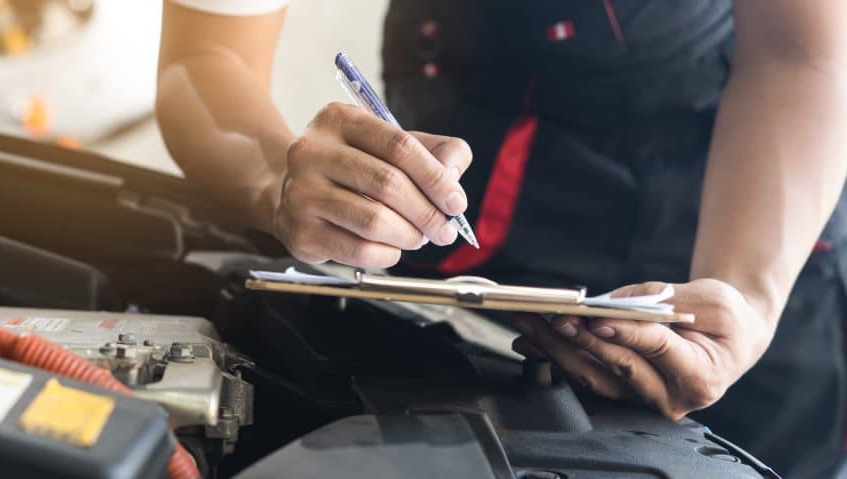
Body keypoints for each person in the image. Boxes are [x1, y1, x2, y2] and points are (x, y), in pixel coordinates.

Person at [155, 0, 847, 477]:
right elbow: (206, 55)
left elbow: (798, 50)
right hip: (457, 275)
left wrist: (747, 294)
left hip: (740, 237)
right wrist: (277, 176)